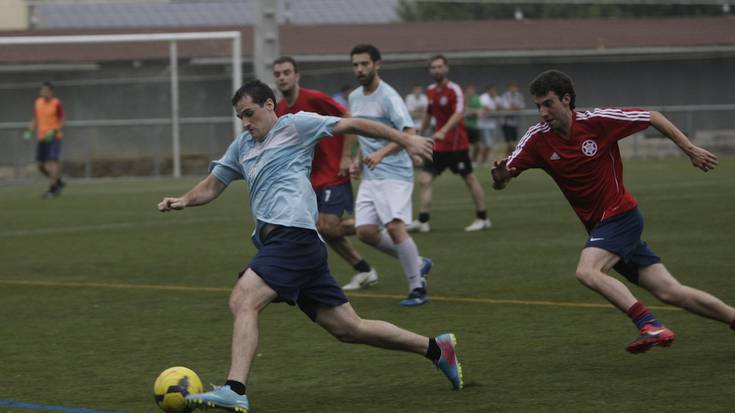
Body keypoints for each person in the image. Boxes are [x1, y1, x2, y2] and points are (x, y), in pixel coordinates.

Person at [158, 80, 463, 413]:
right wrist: (184, 200)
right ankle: (436, 348)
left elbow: (353, 123)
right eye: (240, 117)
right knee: (348, 328)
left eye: (250, 113)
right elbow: (214, 184)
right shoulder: (242, 146)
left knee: (243, 299)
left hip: (295, 237)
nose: (246, 122)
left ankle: (235, 389)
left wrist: (405, 138)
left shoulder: (296, 125)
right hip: (290, 245)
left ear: (270, 106)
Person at [491, 69, 735, 354]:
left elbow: (652, 116)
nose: (542, 112)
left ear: (567, 100)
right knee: (670, 291)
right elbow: (505, 176)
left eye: (548, 103)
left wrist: (690, 149)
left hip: (621, 215)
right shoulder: (536, 138)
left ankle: (650, 325)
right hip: (602, 228)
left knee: (587, 271)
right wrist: (500, 178)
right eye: (537, 106)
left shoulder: (598, 121)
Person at [272, 55, 378, 291]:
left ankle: (375, 223)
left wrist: (346, 156)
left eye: (287, 72)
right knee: (322, 228)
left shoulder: (314, 98)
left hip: (333, 172)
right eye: (278, 74)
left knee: (328, 226)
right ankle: (364, 269)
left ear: (296, 75)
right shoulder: (279, 109)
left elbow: (349, 118)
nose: (282, 77)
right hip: (309, 180)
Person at [348, 44, 434, 306]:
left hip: (395, 173)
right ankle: (417, 261)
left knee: (395, 227)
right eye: (356, 65)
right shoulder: (354, 97)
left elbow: (410, 132)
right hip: (371, 175)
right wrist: (356, 160)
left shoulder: (389, 97)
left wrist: (382, 154)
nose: (360, 69)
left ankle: (417, 288)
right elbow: (363, 135)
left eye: (365, 64)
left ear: (377, 64)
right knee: (364, 232)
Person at [407, 54, 490, 233]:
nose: (436, 70)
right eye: (433, 67)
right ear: (430, 70)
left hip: (456, 146)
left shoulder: (455, 90)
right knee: (425, 178)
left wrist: (444, 130)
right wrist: (419, 132)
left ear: (446, 68)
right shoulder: (430, 91)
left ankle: (482, 218)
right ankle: (423, 221)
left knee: (469, 178)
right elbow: (429, 114)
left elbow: (459, 113)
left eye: (439, 66)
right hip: (438, 146)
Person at [27, 81, 66, 198]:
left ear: (51, 92)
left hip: (53, 137)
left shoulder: (56, 103)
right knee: (40, 166)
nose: (43, 92)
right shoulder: (38, 103)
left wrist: (54, 131)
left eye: (46, 90)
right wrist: (29, 130)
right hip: (42, 138)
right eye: (42, 90)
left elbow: (63, 121)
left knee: (52, 162)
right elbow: (36, 119)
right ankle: (58, 181)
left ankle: (53, 190)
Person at [477, 83, 503, 166]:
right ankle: (482, 161)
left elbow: (499, 108)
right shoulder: (483, 97)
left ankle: (483, 161)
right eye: (491, 90)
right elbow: (486, 108)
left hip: (493, 125)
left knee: (489, 145)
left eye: (494, 90)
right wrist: (493, 110)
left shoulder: (497, 98)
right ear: (488, 90)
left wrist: (495, 101)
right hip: (483, 124)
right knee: (487, 144)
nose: (493, 92)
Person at [500, 80, 525, 155]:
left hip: (515, 123)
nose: (513, 89)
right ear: (509, 88)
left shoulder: (519, 96)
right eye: (512, 87)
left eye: (515, 87)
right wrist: (514, 108)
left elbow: (521, 106)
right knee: (509, 144)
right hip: (506, 123)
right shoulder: (505, 96)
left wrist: (515, 108)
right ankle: (506, 158)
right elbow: (506, 107)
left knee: (514, 143)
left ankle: (509, 158)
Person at [463, 84, 483, 165]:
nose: (470, 91)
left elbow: (480, 113)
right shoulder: (464, 98)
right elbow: (463, 110)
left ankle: (474, 161)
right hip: (464, 125)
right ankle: (466, 160)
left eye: (472, 89)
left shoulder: (476, 99)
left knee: (477, 145)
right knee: (465, 146)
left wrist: (470, 111)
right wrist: (473, 111)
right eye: (468, 89)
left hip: (474, 126)